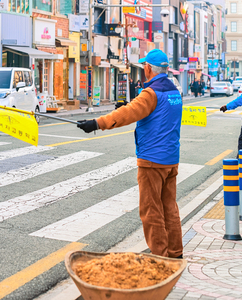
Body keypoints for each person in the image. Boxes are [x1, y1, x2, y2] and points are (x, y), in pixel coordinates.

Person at [77, 49, 183, 259]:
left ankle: (160, 257)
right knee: (169, 208)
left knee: (151, 211)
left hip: (152, 160)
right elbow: (151, 113)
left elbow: (127, 114)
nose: (143, 68)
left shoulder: (150, 93)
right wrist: (128, 106)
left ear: (149, 68)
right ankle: (175, 253)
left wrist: (97, 123)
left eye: (144, 66)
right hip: (171, 159)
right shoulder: (174, 91)